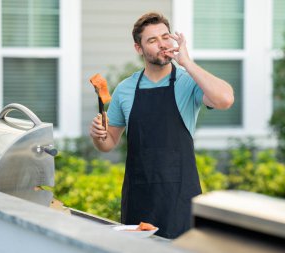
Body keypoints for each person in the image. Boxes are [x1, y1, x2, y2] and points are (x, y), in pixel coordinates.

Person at [90, 12, 234, 239]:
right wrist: (98, 135)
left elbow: (225, 99)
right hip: (139, 197)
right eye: (152, 40)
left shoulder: (188, 82)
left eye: (165, 37)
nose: (162, 44)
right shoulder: (125, 89)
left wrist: (187, 62)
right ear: (139, 48)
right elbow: (108, 144)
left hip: (180, 198)